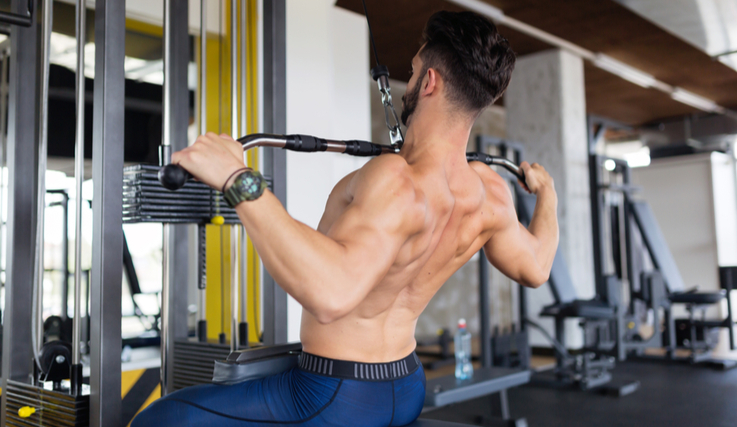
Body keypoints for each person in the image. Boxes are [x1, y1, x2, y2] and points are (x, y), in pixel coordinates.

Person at [133, 10, 558, 427]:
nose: (408, 84)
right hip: (406, 385)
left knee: (160, 418)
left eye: (412, 73)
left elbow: (332, 293)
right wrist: (548, 195)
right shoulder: (490, 192)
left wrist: (236, 179)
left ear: (429, 82)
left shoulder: (396, 180)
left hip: (336, 393)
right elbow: (536, 267)